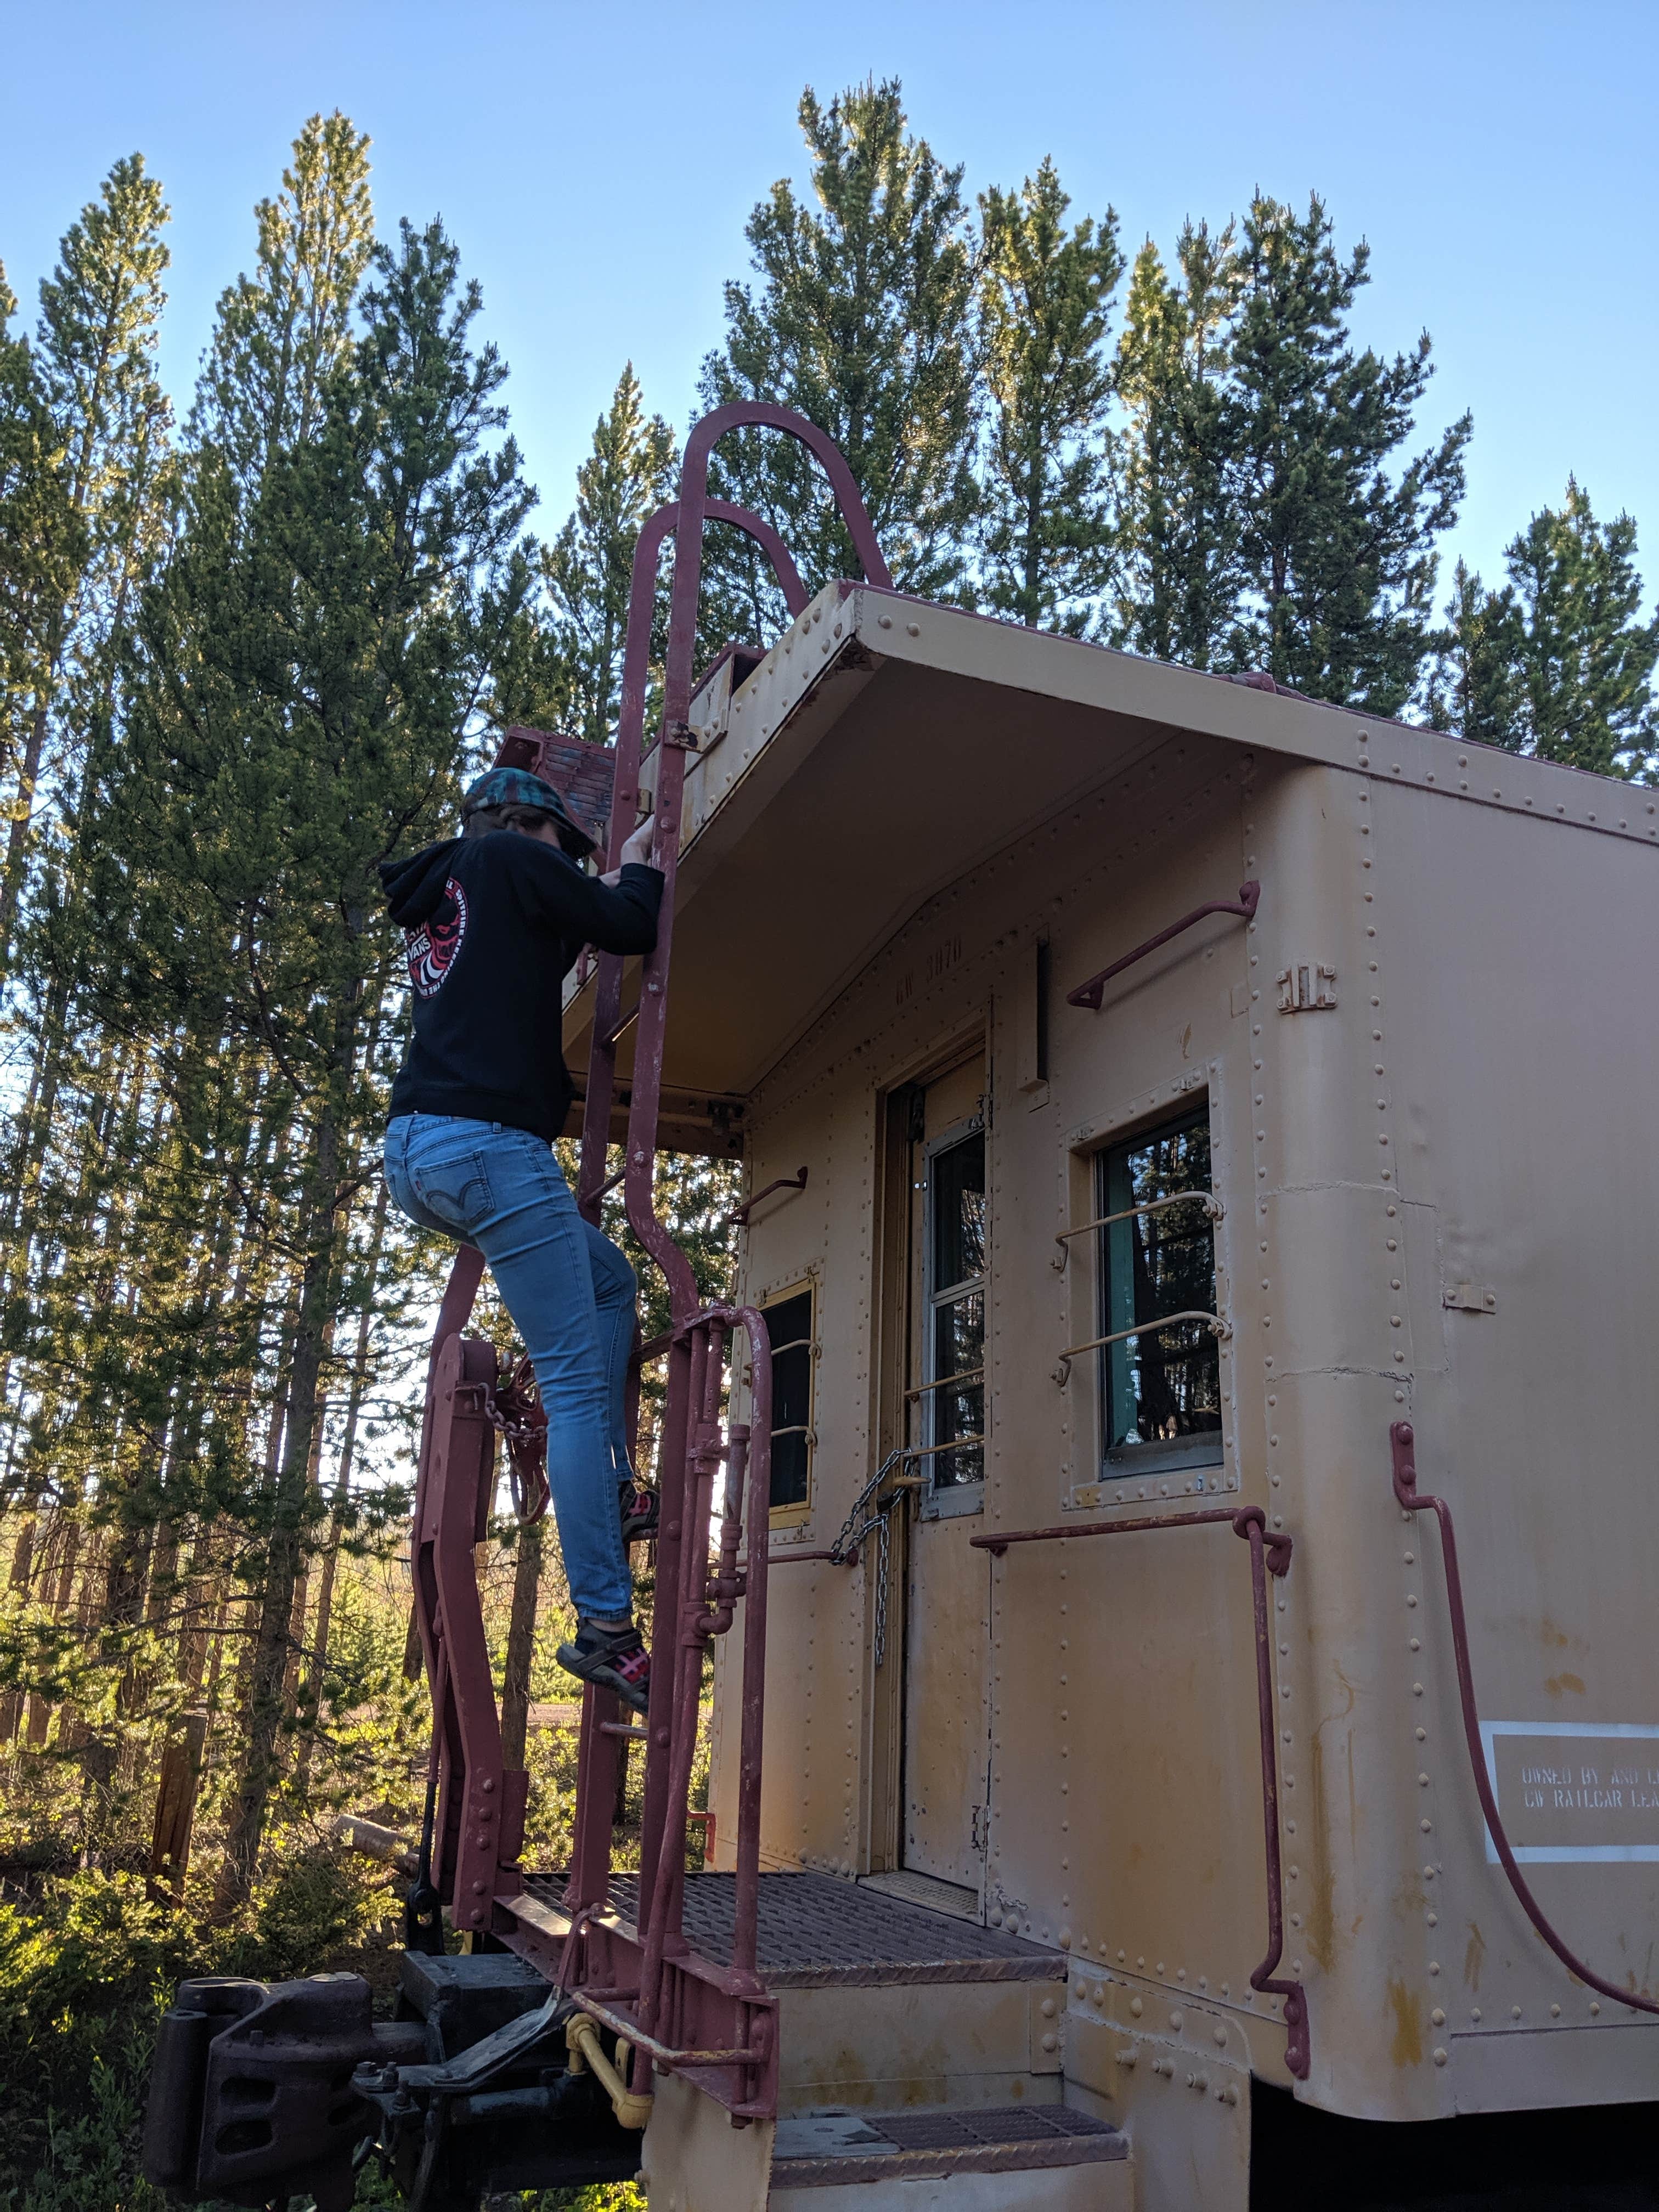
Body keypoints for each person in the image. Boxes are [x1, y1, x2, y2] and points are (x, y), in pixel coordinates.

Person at [379, 765, 663, 1712]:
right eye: (564, 850)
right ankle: (606, 1627)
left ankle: (610, 1490)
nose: (567, 866)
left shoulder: (450, 887)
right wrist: (635, 864)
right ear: (533, 827)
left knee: (610, 1283)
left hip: (416, 1154)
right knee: (575, 1387)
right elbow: (628, 923)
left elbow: (537, 947)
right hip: (491, 1147)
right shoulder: (513, 854)